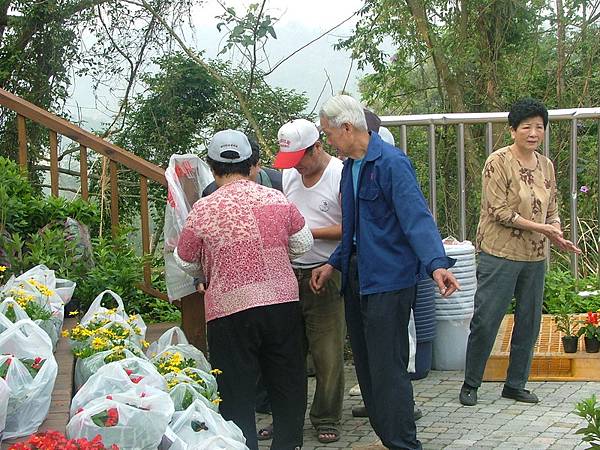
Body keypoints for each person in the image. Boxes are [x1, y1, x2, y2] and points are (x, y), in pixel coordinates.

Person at [311, 95, 459, 450]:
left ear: (348, 128)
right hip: (357, 276)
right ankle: (388, 436)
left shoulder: (391, 163)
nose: (328, 140)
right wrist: (333, 263)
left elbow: (416, 218)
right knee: (364, 366)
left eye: (329, 133)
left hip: (390, 281)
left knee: (387, 369)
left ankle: (404, 443)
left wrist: (437, 264)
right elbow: (356, 230)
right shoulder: (350, 168)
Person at [174, 129, 313, 450]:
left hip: (228, 311)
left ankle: (241, 445)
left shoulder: (204, 209)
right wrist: (276, 255)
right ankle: (287, 445)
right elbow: (303, 244)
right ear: (252, 164)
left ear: (211, 166)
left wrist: (210, 266)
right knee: (287, 384)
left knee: (236, 392)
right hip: (281, 305)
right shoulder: (277, 199)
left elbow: (184, 260)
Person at [459, 98, 581, 407]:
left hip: (535, 255)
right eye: (526, 126)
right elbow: (499, 211)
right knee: (488, 318)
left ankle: (515, 384)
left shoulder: (546, 165)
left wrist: (557, 232)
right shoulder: (497, 161)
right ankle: (471, 382)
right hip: (499, 251)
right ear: (513, 129)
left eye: (539, 127)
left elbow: (551, 209)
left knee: (529, 322)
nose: (533, 132)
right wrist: (543, 229)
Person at [270, 118, 345, 444]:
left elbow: (352, 229)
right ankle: (287, 417)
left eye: (300, 159)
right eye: (290, 162)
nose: (296, 168)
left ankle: (326, 415)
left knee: (327, 352)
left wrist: (305, 233)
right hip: (289, 272)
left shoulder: (340, 175)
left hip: (326, 271)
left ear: (318, 147)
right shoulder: (289, 174)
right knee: (286, 353)